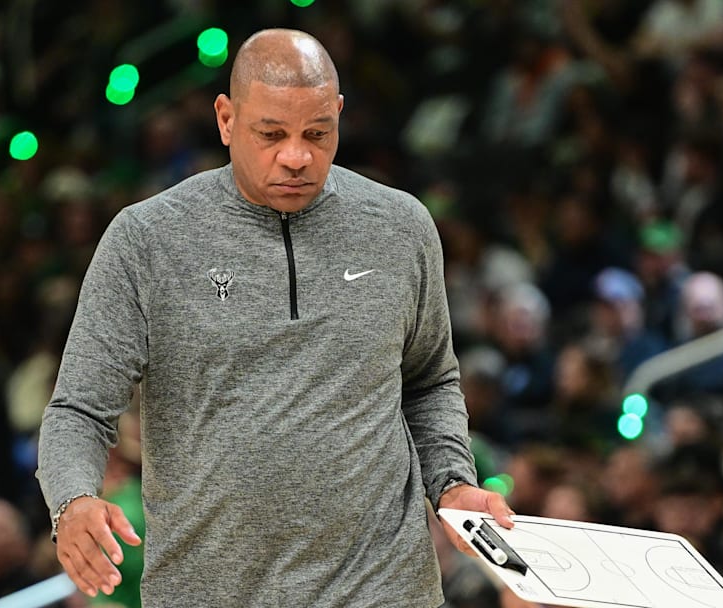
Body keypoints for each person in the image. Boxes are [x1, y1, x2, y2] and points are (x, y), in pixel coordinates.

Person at [36, 28, 513, 607]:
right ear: (226, 119)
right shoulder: (146, 240)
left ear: (339, 114)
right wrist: (72, 499)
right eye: (271, 133)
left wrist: (453, 483)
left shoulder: (402, 227)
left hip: (384, 589)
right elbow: (78, 410)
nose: (296, 155)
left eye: (318, 133)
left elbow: (430, 380)